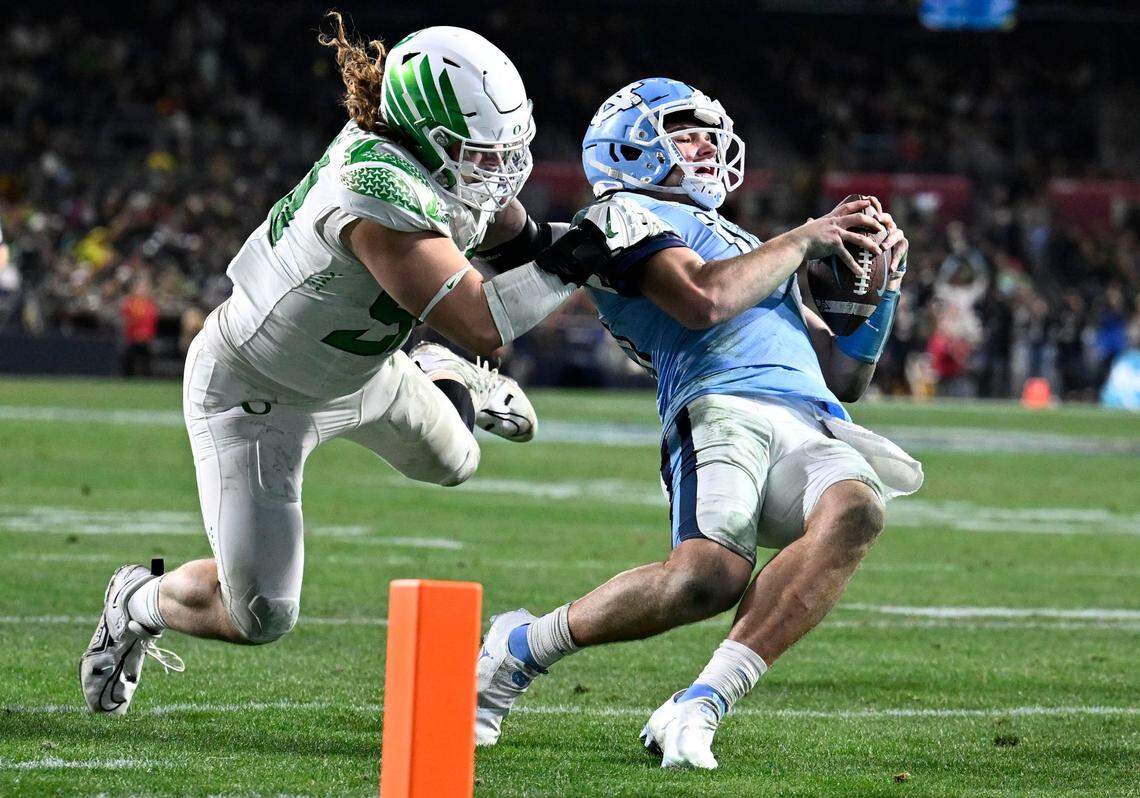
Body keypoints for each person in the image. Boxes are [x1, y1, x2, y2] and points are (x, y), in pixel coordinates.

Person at [80, 16, 610, 715]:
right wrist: (579, 259)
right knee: (260, 613)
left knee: (457, 464)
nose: (496, 170)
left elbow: (512, 228)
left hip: (363, 371)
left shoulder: (428, 156)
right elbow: (481, 322)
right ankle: (135, 602)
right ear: (424, 136)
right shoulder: (373, 189)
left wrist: (581, 254)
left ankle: (439, 370)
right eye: (475, 152)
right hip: (255, 392)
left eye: (502, 150)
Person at [477, 78, 924, 767]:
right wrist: (807, 238)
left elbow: (844, 378)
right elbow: (700, 300)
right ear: (629, 150)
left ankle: (701, 702)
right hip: (718, 406)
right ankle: (522, 647)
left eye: (711, 137)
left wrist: (881, 295)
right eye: (686, 135)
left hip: (811, 418)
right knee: (704, 580)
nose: (707, 148)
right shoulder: (625, 213)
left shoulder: (743, 241)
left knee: (858, 508)